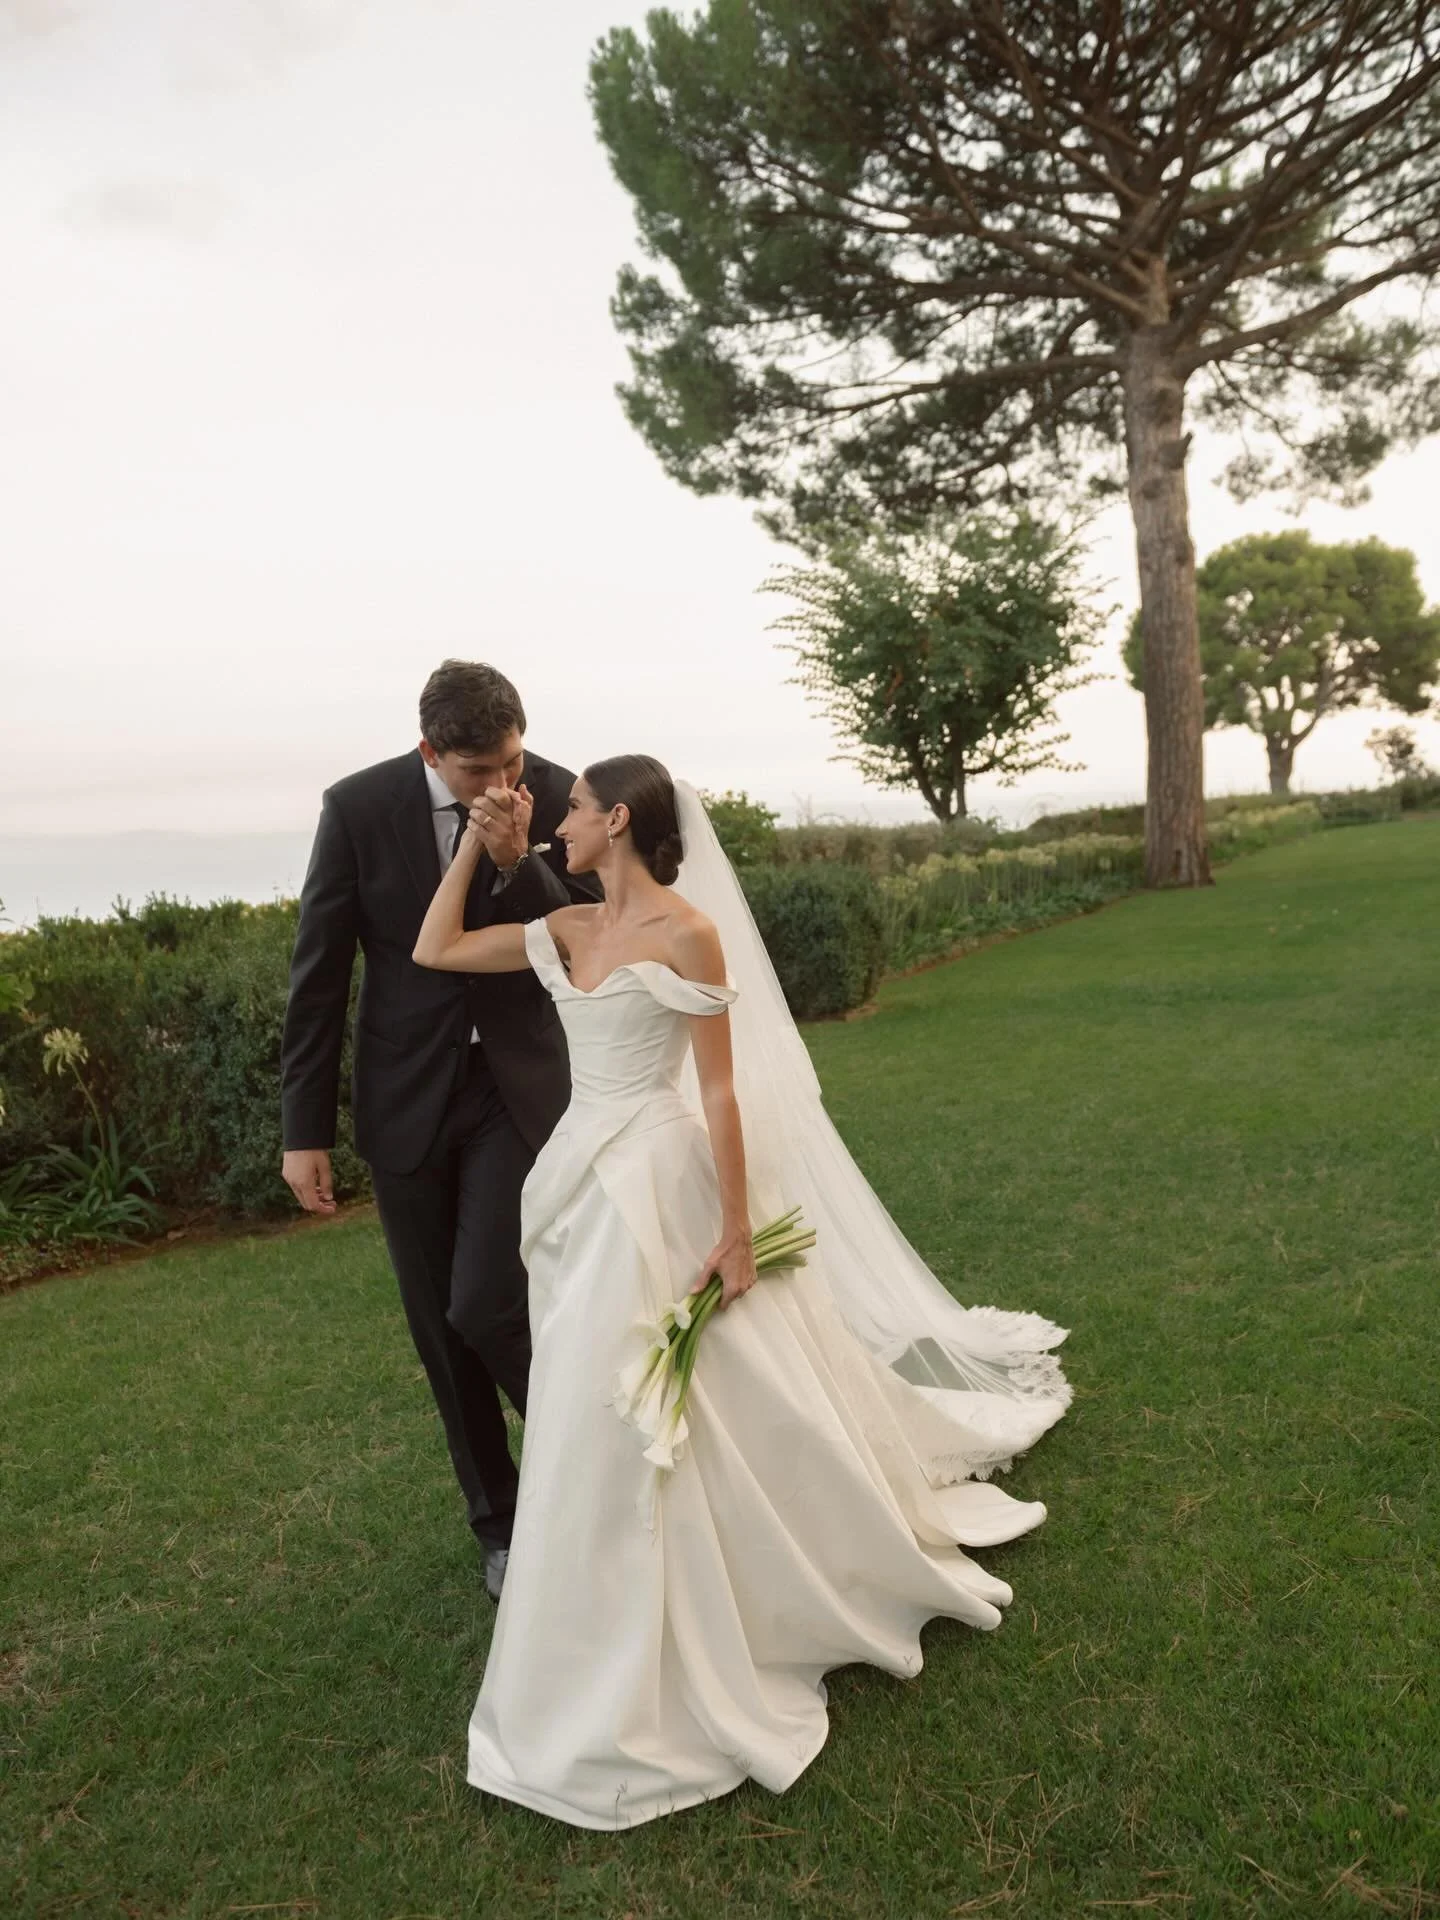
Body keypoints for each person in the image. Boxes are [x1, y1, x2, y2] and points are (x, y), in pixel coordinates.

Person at [411, 752, 1073, 1829]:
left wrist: (733, 1230)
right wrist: (475, 853)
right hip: (580, 1183)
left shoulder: (689, 934)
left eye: (575, 810)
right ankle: (597, 1593)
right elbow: (434, 947)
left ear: (618, 822)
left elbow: (718, 1092)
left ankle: (743, 1573)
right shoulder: (567, 927)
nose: (559, 822)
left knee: (688, 1384)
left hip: (660, 1181)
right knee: (591, 1392)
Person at [279, 661, 600, 1602]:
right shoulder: (357, 808)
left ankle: (602, 1464)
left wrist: (517, 858)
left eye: (511, 762)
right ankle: (500, 1524)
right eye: (477, 771)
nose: (502, 784)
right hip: (405, 1094)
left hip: (517, 1088)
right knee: (439, 1325)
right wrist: (305, 1130)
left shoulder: (557, 789)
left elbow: (584, 933)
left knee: (488, 1300)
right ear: (430, 752)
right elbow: (319, 972)